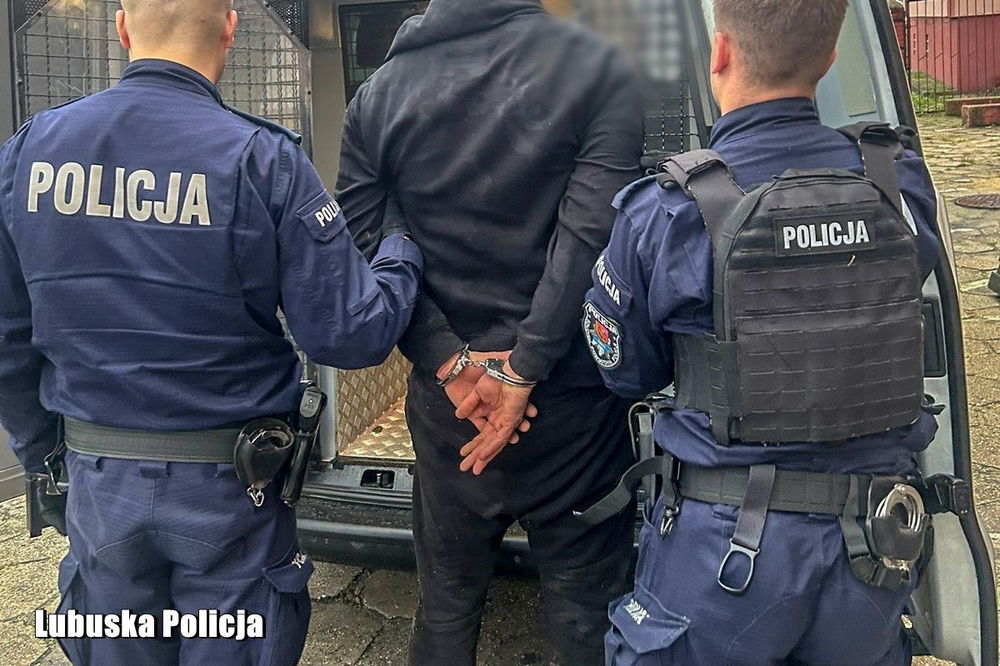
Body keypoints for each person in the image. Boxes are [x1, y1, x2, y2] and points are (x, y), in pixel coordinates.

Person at [0, 0, 422, 663]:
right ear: (231, 28)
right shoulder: (263, 159)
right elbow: (351, 334)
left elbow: (7, 340)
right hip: (230, 495)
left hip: (99, 485)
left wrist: (46, 462)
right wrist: (402, 247)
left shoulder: (29, 152)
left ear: (122, 27)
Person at [585, 1, 942, 664]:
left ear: (719, 51)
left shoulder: (665, 210)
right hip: (873, 543)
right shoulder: (898, 184)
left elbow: (626, 371)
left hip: (723, 553)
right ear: (830, 58)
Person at [335, 0, 644, 663]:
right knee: (587, 615)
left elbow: (362, 245)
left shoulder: (378, 95)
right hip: (572, 409)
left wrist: (450, 362)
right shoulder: (599, 71)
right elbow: (589, 239)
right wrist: (524, 367)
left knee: (446, 605)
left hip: (453, 408)